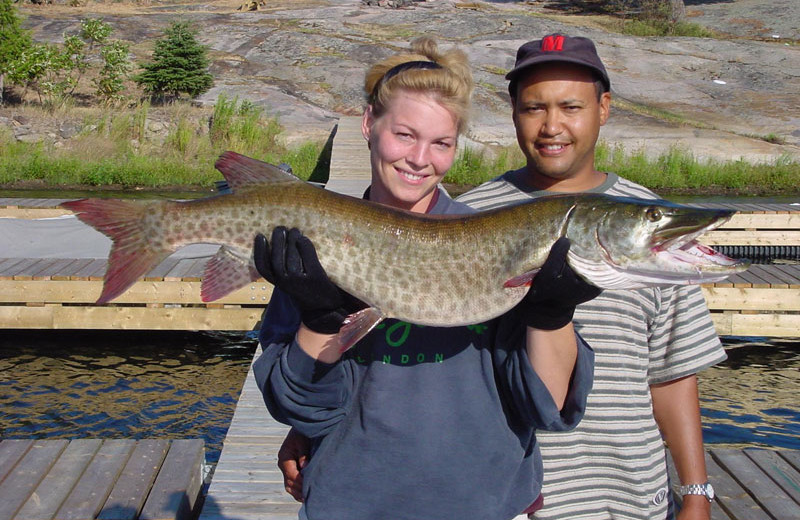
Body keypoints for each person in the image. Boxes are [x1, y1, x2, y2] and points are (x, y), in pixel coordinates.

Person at [252, 37, 597, 520]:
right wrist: (319, 319)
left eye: (442, 143)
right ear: (369, 124)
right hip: (352, 503)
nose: (420, 159)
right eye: (405, 135)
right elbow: (305, 411)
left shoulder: (497, 238)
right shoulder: (314, 245)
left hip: (486, 505)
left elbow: (549, 407)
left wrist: (552, 315)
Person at [455, 34, 726, 520]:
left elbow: (672, 373)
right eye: (534, 108)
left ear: (603, 108)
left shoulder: (653, 227)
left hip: (628, 498)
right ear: (513, 112)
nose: (551, 126)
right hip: (503, 501)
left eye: (571, 107)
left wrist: (696, 493)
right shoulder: (465, 214)